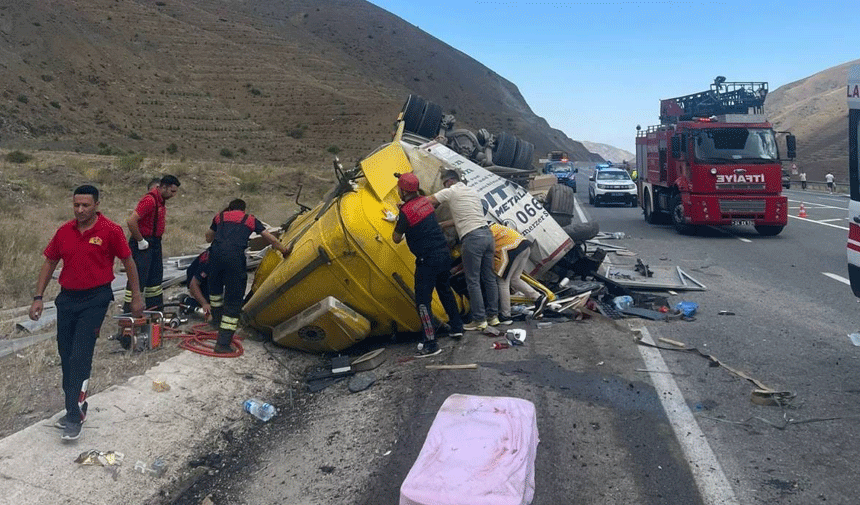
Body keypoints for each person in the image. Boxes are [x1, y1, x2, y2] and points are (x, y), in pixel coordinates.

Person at [29, 185, 144, 441]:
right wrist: (38, 297)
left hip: (95, 298)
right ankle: (75, 404)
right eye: (76, 205)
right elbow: (50, 261)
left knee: (81, 355)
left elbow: (129, 262)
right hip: (67, 299)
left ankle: (74, 416)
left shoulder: (111, 231)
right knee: (66, 354)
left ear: (96, 205)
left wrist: (136, 296)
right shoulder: (64, 231)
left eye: (85, 205)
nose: (80, 210)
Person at [391, 172, 464, 357]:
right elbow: (419, 215)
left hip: (427, 260)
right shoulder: (425, 202)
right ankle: (457, 327)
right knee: (445, 290)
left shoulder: (405, 212)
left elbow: (396, 238)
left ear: (403, 190)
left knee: (423, 301)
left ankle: (431, 343)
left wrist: (400, 220)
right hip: (443, 253)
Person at [206, 199, 291, 353]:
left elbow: (208, 238)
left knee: (215, 291)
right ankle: (223, 344)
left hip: (215, 257)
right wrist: (284, 250)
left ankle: (216, 320)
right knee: (233, 300)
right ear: (243, 210)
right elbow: (269, 238)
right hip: (234, 259)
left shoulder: (220, 217)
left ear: (230, 208)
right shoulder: (250, 220)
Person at [428, 169, 499, 331]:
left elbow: (429, 201)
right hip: (487, 235)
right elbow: (465, 216)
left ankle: (479, 320)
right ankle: (493, 317)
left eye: (444, 183)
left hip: (472, 238)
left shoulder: (450, 191)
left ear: (448, 182)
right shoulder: (472, 191)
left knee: (472, 280)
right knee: (489, 278)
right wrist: (443, 225)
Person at [124, 175, 181, 312]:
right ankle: (129, 312)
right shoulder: (150, 200)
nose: (174, 195)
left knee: (155, 280)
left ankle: (154, 310)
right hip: (144, 243)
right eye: (172, 191)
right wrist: (140, 240)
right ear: (163, 187)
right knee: (138, 278)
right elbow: (131, 221)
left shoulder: (160, 201)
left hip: (154, 243)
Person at [489, 223, 547, 324]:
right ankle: (538, 298)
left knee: (503, 281)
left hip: (512, 248)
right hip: (524, 244)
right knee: (515, 279)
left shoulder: (482, 231)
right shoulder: (492, 226)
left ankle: (505, 315)